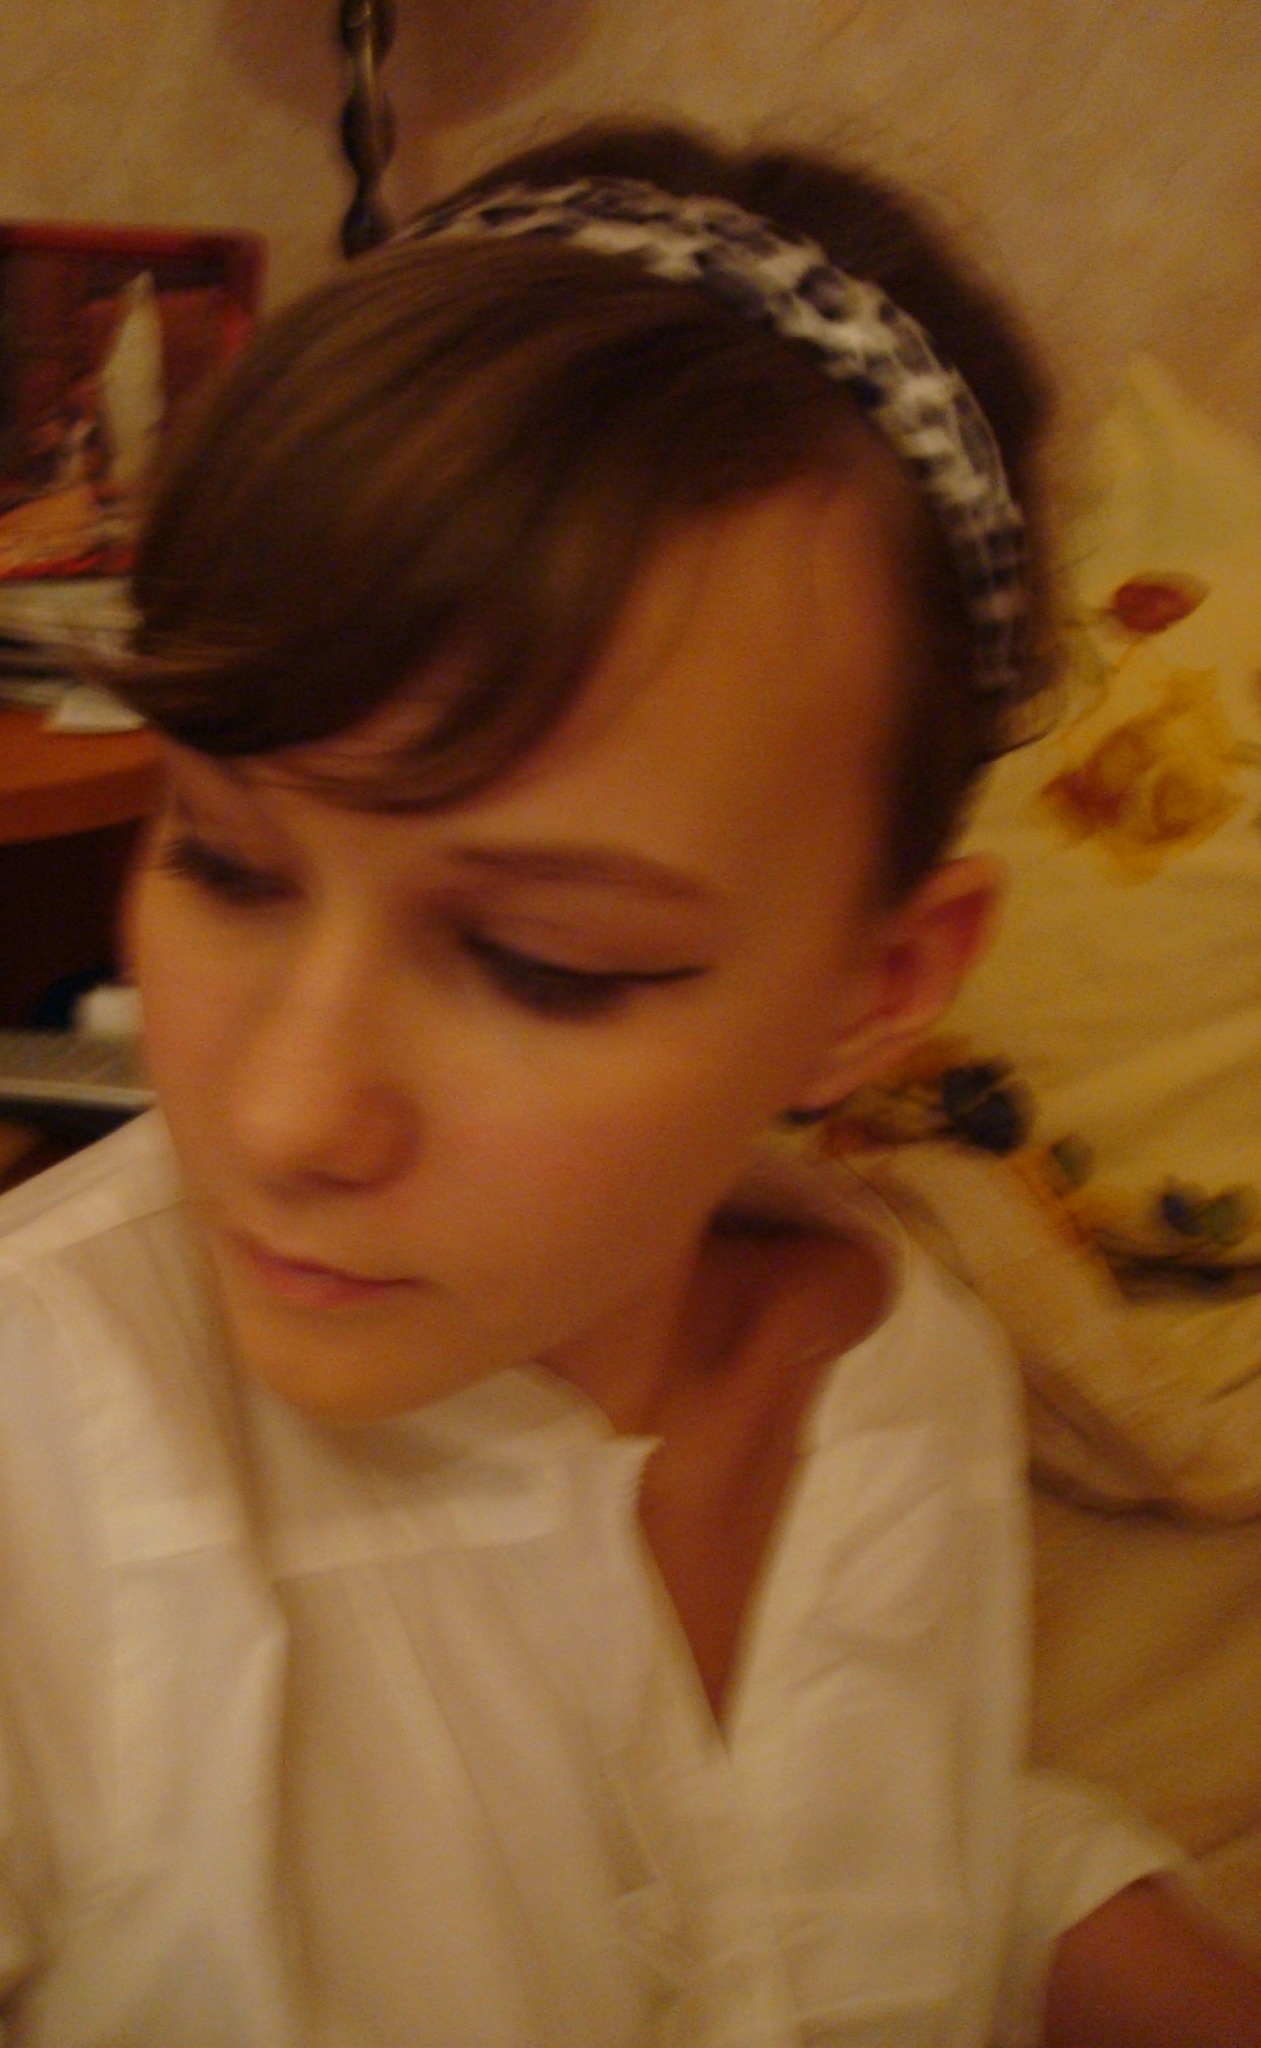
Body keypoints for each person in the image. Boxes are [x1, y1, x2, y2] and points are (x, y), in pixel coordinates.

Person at [0, 121, 1258, 2047]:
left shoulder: (904, 1368)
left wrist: (1102, 1933)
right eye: (226, 863)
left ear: (871, 992)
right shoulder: (46, 1461)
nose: (278, 1118)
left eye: (545, 963)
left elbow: (875, 1840)